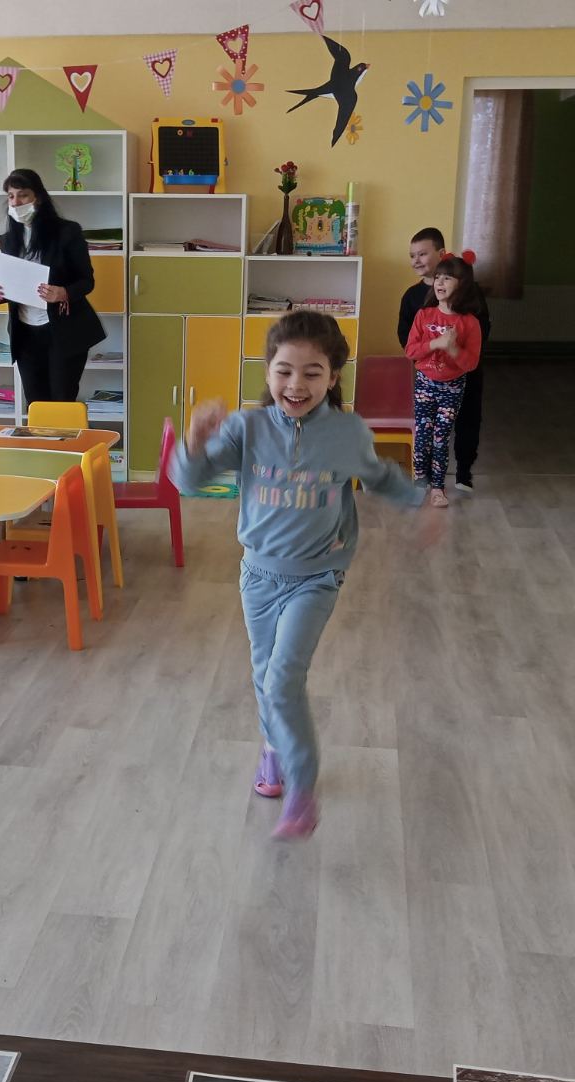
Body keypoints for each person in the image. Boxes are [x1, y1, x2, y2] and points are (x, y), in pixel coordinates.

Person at [170, 311, 426, 840]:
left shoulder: (347, 433)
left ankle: (303, 788)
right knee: (265, 673)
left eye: (313, 372)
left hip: (318, 576)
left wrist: (421, 503)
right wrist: (194, 442)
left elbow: (379, 476)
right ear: (267, 371)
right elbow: (189, 482)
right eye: (284, 370)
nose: (296, 384)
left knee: (283, 678)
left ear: (333, 377)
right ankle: (273, 747)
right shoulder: (247, 428)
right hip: (258, 575)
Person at [0, 168, 104, 403]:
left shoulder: (67, 232)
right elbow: (15, 284)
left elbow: (87, 281)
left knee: (61, 401)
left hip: (63, 331)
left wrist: (64, 292)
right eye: (11, 196)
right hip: (25, 334)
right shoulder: (8, 240)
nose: (15, 202)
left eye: (23, 195)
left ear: (38, 197)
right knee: (36, 403)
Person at [397, 226, 491, 492]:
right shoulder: (414, 299)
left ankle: (462, 473)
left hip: (463, 375)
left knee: (464, 422)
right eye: (412, 255)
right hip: (428, 377)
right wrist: (430, 353)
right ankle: (425, 478)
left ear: (441, 254)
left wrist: (456, 354)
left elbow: (481, 334)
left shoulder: (470, 301)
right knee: (425, 432)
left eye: (422, 254)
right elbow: (407, 340)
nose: (416, 260)